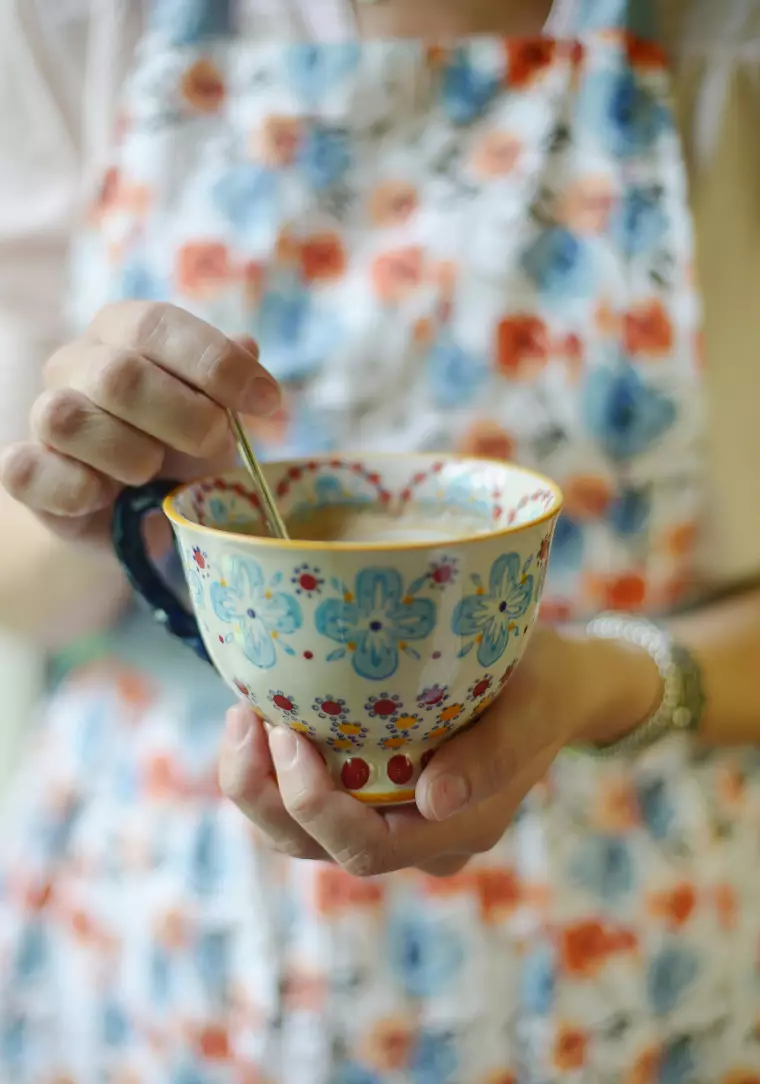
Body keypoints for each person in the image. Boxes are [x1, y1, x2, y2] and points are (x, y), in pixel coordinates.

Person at [1, 0, 760, 1080]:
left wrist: (607, 680)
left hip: (626, 954)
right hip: (158, 946)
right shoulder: (74, 21)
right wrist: (91, 520)